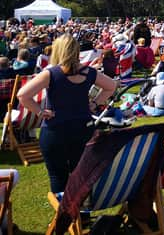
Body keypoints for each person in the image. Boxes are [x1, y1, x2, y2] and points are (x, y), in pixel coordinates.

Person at [17, 34, 117, 193]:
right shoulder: (89, 72)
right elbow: (111, 86)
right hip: (83, 129)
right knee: (81, 176)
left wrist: (40, 112)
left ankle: (63, 215)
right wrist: (94, 103)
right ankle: (80, 213)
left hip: (55, 131)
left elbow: (23, 95)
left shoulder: (51, 73)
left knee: (58, 177)